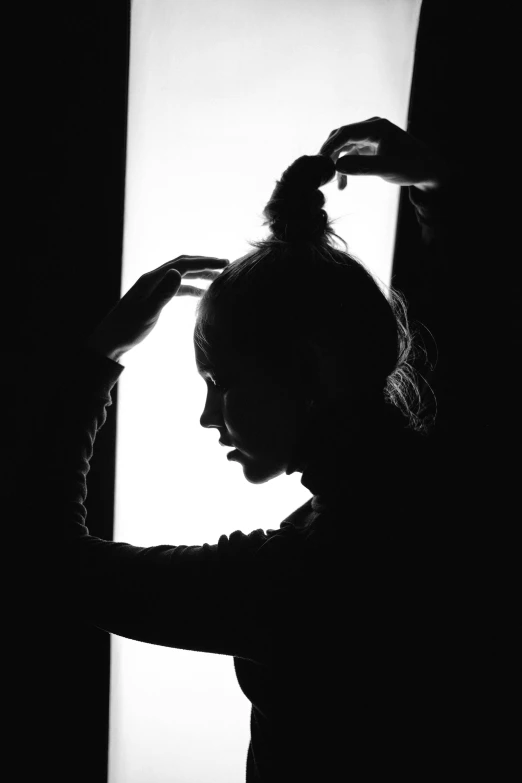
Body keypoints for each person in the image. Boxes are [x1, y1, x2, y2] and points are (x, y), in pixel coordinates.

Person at [23, 118, 478, 781]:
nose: (210, 418)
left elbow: (53, 567)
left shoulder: (305, 575)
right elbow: (470, 311)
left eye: (222, 384)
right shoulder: (446, 480)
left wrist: (100, 359)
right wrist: (441, 188)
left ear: (312, 369)